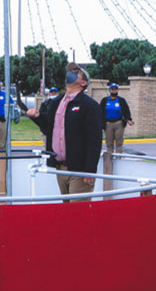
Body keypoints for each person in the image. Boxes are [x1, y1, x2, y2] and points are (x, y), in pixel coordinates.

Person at [27, 63, 103, 196]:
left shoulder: (89, 105)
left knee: (77, 213)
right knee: (66, 210)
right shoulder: (56, 103)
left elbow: (94, 140)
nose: (71, 73)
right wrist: (37, 117)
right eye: (71, 71)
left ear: (83, 82)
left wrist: (90, 170)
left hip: (80, 172)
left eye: (76, 72)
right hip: (60, 169)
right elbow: (50, 129)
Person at [100, 83, 134, 154]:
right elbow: (100, 111)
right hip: (108, 123)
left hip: (118, 123)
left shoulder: (121, 100)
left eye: (115, 89)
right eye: (112, 89)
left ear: (117, 90)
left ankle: (119, 158)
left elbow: (126, 111)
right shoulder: (105, 100)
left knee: (119, 143)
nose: (114, 91)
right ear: (109, 90)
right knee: (109, 143)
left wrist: (129, 119)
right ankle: (109, 159)